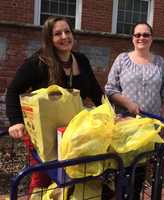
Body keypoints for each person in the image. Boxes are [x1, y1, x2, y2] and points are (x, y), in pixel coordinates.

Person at [6, 16, 103, 194]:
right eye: (58, 33)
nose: (64, 36)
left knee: (73, 179)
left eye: (67, 31)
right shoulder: (38, 62)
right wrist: (15, 121)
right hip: (45, 136)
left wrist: (109, 113)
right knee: (42, 180)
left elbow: (96, 92)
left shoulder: (81, 60)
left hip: (73, 135)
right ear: (49, 38)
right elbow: (12, 91)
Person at [105, 22, 164, 199]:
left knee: (139, 175)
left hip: (148, 130)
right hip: (125, 127)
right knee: (120, 174)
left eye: (145, 35)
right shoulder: (122, 59)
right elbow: (110, 89)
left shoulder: (160, 63)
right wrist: (127, 103)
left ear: (152, 38)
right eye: (137, 35)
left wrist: (161, 124)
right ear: (132, 38)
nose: (141, 38)